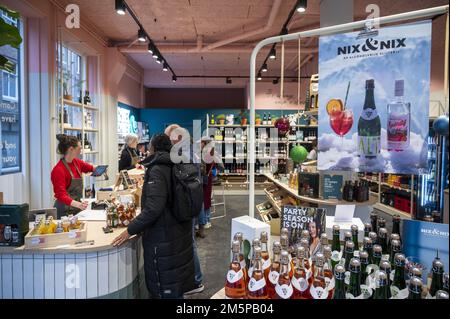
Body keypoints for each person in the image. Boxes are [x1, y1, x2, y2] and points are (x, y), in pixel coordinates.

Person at [112, 133, 195, 299]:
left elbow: (153, 209)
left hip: (163, 238)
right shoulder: (177, 164)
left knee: (165, 288)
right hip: (179, 232)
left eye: (149, 146)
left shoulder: (157, 170)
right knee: (175, 284)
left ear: (154, 148)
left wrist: (130, 229)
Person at [164, 123, 205, 296]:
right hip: (191, 202)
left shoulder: (183, 153)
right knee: (188, 242)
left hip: (186, 204)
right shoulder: (190, 150)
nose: (169, 142)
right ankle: (192, 279)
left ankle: (195, 281)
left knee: (189, 242)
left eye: (170, 139)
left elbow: (182, 180)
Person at [51, 134, 94, 218]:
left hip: (76, 208)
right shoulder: (58, 170)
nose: (81, 150)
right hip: (63, 211)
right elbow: (61, 195)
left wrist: (101, 169)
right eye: (79, 148)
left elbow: (90, 168)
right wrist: (78, 204)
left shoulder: (76, 162)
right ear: (71, 149)